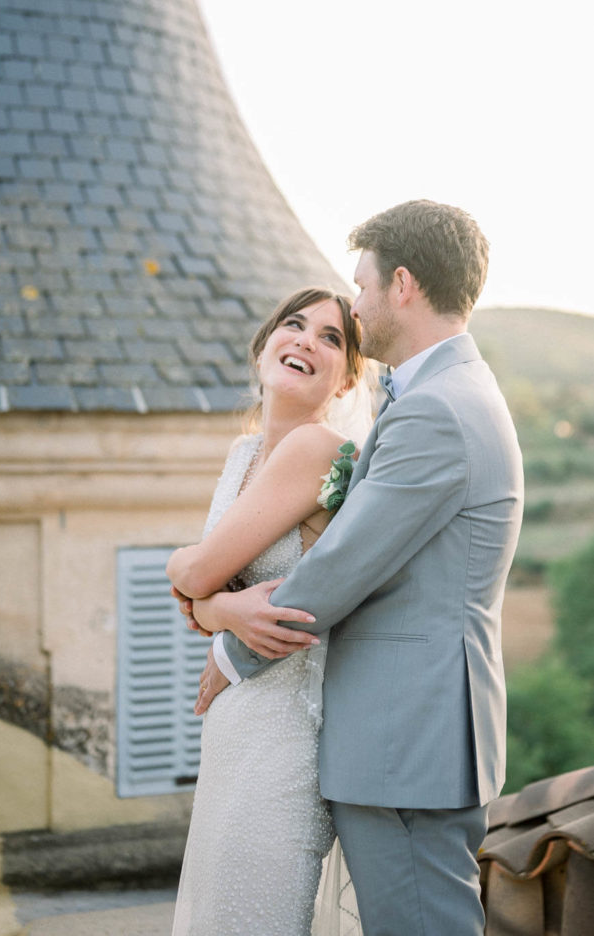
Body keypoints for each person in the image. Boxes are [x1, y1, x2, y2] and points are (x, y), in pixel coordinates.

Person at [197, 199, 524, 936]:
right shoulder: (446, 394)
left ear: (401, 284)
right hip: (410, 731)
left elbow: (344, 565)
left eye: (361, 286)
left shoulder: (438, 408)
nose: (355, 303)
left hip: (407, 732)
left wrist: (231, 648)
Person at [167, 287, 368, 936]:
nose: (307, 340)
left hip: (286, 727)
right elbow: (205, 599)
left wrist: (192, 582)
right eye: (294, 324)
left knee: (254, 914)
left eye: (331, 338)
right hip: (233, 722)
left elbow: (197, 576)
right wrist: (218, 608)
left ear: (346, 379)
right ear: (263, 349)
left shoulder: (319, 450)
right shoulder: (242, 454)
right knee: (219, 906)